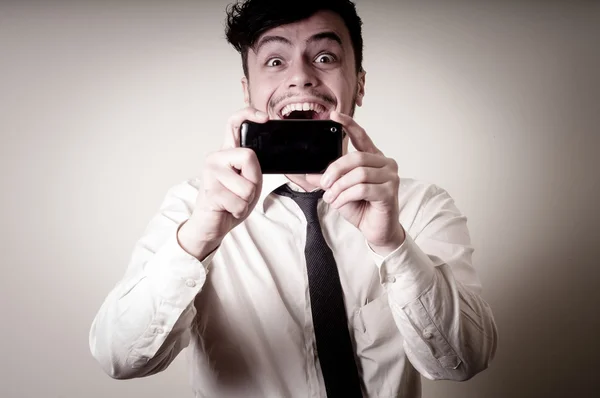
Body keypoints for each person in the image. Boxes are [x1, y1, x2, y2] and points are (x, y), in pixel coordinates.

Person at [89, 0, 498, 397]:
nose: (300, 77)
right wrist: (199, 239)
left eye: (324, 57)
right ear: (248, 91)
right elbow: (119, 358)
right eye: (275, 61)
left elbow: (464, 362)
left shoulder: (420, 205)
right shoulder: (193, 208)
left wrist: (392, 244)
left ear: (359, 84)